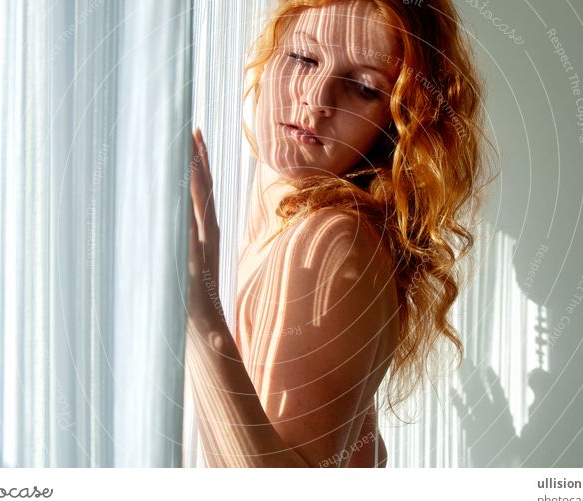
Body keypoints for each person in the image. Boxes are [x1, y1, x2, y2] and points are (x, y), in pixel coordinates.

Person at [186, 0, 490, 467]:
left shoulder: (330, 242)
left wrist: (198, 312)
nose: (316, 98)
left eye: (364, 87)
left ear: (394, 124)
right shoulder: (280, 213)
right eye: (303, 58)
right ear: (269, 56)